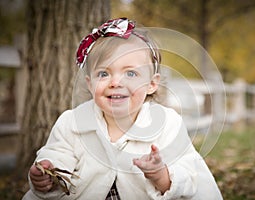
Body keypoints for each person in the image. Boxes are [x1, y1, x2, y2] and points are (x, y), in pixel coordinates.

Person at [23, 17, 222, 200]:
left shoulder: (167, 123)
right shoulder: (72, 122)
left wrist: (161, 175)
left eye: (131, 74)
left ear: (152, 84)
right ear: (90, 84)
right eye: (103, 74)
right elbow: (58, 154)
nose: (116, 82)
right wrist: (48, 174)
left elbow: (188, 171)